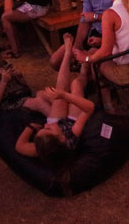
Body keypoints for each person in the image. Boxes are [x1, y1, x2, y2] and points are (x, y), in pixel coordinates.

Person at [15, 34, 94, 166]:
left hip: (57, 121)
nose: (45, 125)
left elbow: (19, 146)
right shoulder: (71, 136)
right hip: (72, 121)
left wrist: (30, 128)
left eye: (43, 129)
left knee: (54, 90)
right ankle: (84, 70)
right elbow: (89, 108)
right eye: (47, 129)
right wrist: (64, 96)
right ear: (61, 138)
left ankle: (68, 51)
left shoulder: (42, 149)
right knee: (75, 84)